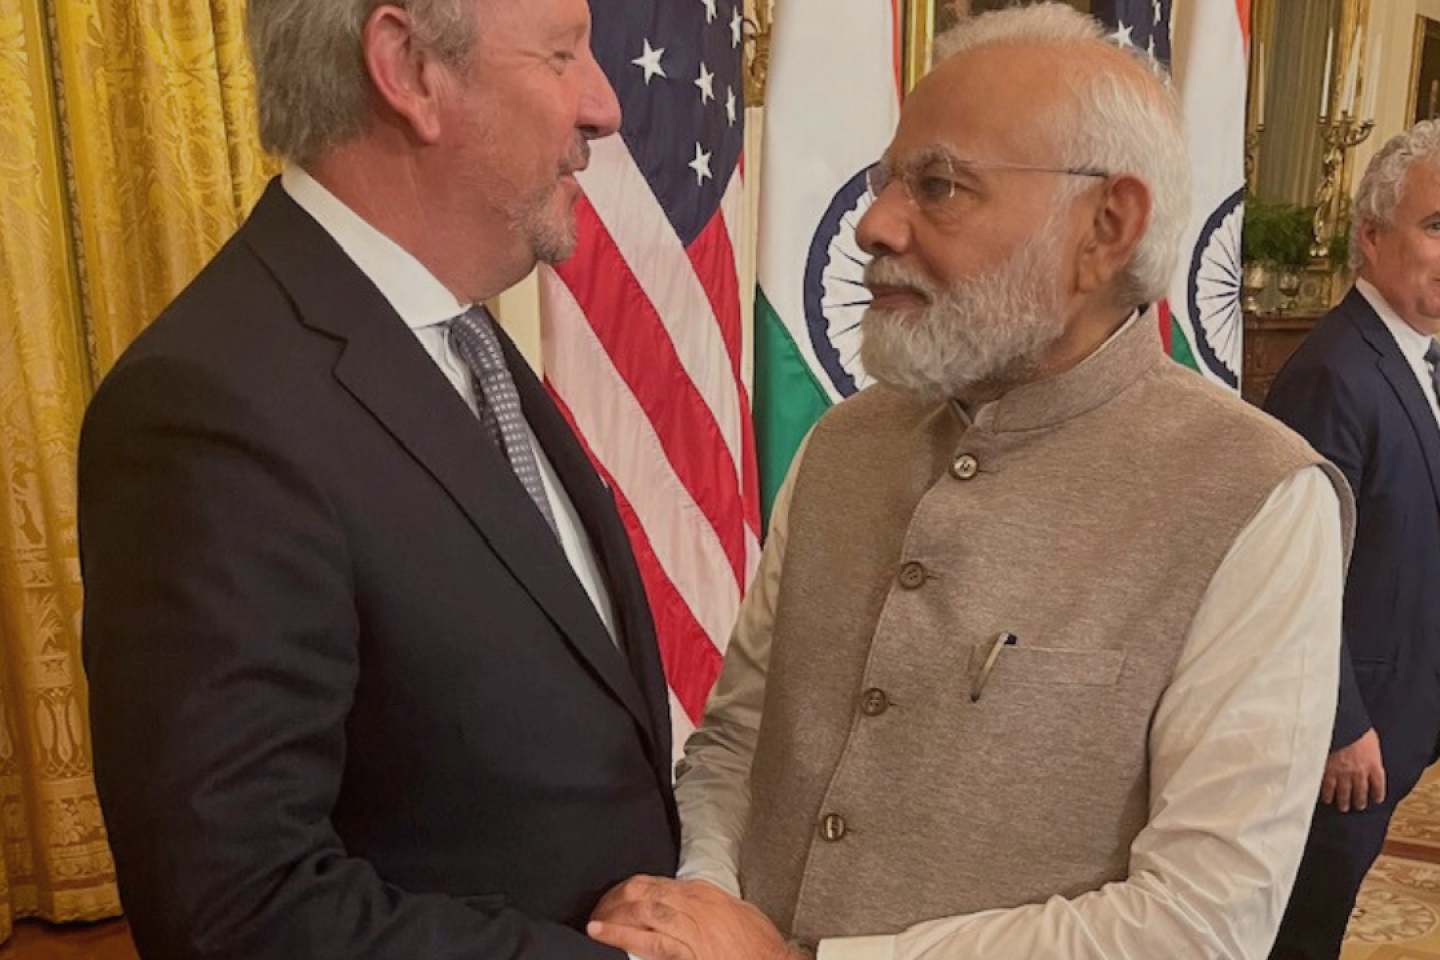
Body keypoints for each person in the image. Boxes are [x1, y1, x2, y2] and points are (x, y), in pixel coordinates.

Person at [584, 6, 1352, 960]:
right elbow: (738, 743)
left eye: (938, 186)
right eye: (883, 184)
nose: (872, 225)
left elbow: (1199, 924)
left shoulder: (1261, 497)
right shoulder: (845, 445)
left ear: (1106, 226)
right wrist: (702, 909)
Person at [76, 1, 678, 957]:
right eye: (563, 55)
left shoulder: (461, 337)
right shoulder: (209, 409)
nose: (604, 106)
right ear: (408, 68)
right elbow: (238, 912)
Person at [1265, 122, 1440, 960]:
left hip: (1405, 708)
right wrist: (1337, 723)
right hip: (1349, 741)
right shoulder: (1335, 370)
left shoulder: (1416, 356)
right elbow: (1289, 573)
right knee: (1301, 930)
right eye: (1437, 226)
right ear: (1370, 236)